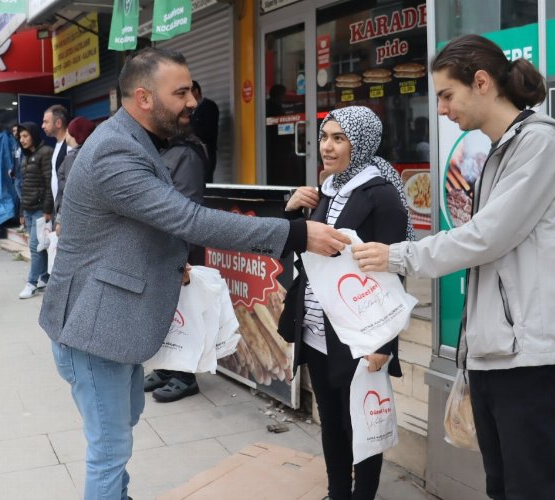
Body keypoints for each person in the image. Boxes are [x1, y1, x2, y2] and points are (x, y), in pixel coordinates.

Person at [37, 47, 349, 500]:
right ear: (144, 97)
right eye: (180, 92)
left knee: (120, 429)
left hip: (111, 323)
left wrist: (170, 262)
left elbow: (139, 225)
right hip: (92, 327)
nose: (192, 102)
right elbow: (189, 219)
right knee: (109, 449)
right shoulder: (115, 150)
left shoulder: (136, 140)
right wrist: (297, 234)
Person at [353, 34, 555, 500]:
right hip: (496, 349)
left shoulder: (539, 145)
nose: (441, 109)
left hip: (528, 352)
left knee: (528, 487)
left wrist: (399, 254)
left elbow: (486, 237)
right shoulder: (500, 149)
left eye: (447, 94)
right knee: (500, 486)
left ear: (481, 82)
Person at [278, 106, 412, 500]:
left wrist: (384, 344)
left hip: (358, 335)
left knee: (361, 423)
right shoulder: (326, 191)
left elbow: (393, 272)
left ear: (362, 143)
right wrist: (291, 210)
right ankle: (338, 492)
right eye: (324, 137)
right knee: (331, 421)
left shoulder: (382, 196)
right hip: (318, 330)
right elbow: (301, 250)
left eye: (339, 138)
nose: (328, 147)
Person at [143, 132, 209, 402]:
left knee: (185, 314)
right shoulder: (159, 150)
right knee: (165, 314)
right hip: (160, 247)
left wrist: (182, 257)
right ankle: (167, 367)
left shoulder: (186, 154)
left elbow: (187, 209)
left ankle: (185, 376)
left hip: (182, 251)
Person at [17, 122, 54, 300]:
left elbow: (49, 182)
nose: (22, 140)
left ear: (33, 135)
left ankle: (31, 283)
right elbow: (24, 186)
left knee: (35, 246)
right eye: (20, 137)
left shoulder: (45, 152)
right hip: (29, 209)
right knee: (41, 246)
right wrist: (21, 211)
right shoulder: (25, 157)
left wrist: (48, 209)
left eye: (25, 136)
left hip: (41, 209)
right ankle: (45, 278)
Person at [54, 116, 97, 234]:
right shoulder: (90, 154)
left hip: (73, 217)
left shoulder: (72, 157)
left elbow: (70, 191)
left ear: (74, 134)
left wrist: (60, 219)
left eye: (68, 130)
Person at [190, 80, 219, 182]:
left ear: (196, 91)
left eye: (189, 93)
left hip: (206, 151)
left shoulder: (209, 107)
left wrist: (191, 135)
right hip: (194, 152)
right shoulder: (192, 110)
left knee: (205, 182)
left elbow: (209, 131)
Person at [42, 104, 70, 202]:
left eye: (46, 122)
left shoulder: (69, 146)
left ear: (58, 123)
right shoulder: (58, 144)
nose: (42, 126)